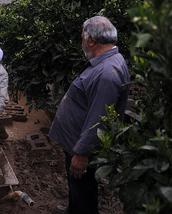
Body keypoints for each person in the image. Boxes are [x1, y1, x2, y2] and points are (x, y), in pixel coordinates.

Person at [49, 16, 130, 214]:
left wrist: (82, 154)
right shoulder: (106, 61)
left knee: (83, 189)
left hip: (82, 146)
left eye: (82, 37)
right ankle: (73, 209)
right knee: (77, 187)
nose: (82, 41)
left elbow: (98, 119)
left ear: (91, 40)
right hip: (75, 140)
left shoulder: (105, 73)